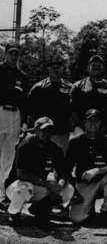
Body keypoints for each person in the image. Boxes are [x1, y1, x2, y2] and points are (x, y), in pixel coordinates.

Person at [5, 117, 74, 228]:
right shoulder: (25, 145)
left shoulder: (55, 148)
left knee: (68, 190)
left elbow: (63, 172)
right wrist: (47, 184)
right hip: (17, 185)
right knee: (22, 189)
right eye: (43, 130)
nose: (47, 133)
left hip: (38, 186)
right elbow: (21, 174)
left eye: (50, 131)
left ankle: (39, 208)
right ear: (35, 130)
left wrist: (59, 185)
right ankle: (14, 213)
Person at [67, 109, 107, 225]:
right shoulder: (75, 142)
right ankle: (88, 208)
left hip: (102, 183)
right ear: (84, 122)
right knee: (77, 219)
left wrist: (98, 170)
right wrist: (74, 192)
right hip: (83, 185)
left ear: (101, 123)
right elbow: (67, 169)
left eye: (96, 120)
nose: (93, 123)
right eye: (90, 120)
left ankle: (106, 210)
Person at [0, 42, 29, 208]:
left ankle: (2, 195)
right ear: (5, 54)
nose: (14, 56)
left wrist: (24, 121)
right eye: (11, 53)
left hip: (15, 115)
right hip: (0, 112)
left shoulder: (22, 76)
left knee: (9, 157)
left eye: (16, 53)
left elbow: (24, 101)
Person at [28, 59, 73, 156]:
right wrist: (38, 127)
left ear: (62, 69)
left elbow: (74, 108)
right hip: (43, 133)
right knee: (41, 161)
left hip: (62, 132)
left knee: (60, 161)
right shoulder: (39, 87)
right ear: (49, 69)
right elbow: (30, 108)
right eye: (53, 67)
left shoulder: (70, 87)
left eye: (58, 67)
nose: (56, 70)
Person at [70, 55, 107, 136]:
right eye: (93, 65)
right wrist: (84, 127)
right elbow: (73, 111)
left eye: (99, 65)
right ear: (88, 67)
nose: (96, 68)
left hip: (104, 129)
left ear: (103, 68)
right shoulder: (78, 86)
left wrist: (106, 128)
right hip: (83, 129)